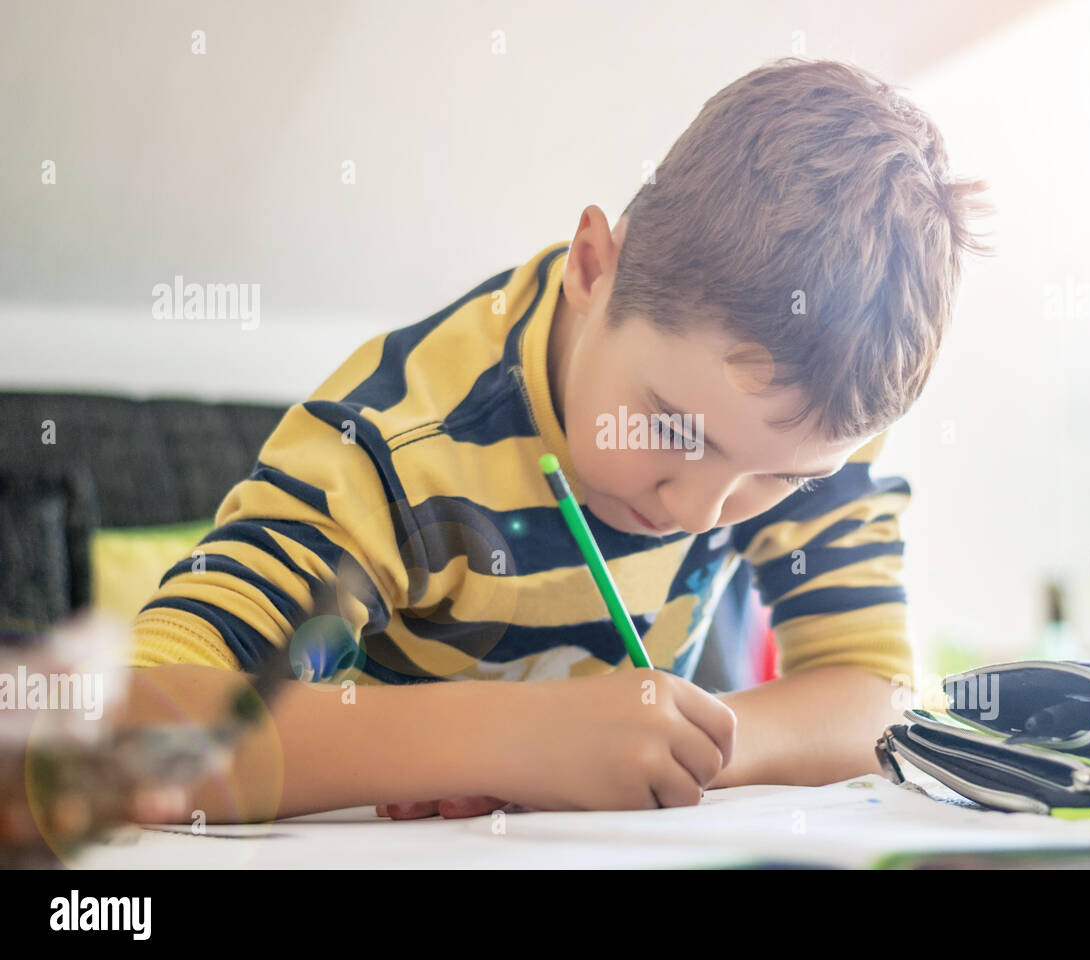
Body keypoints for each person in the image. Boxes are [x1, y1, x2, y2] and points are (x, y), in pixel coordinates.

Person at [124, 57, 985, 823]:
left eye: (775, 480)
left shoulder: (802, 422)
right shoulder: (396, 443)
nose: (696, 509)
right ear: (591, 265)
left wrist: (681, 749)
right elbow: (134, 726)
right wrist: (510, 743)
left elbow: (877, 696)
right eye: (671, 428)